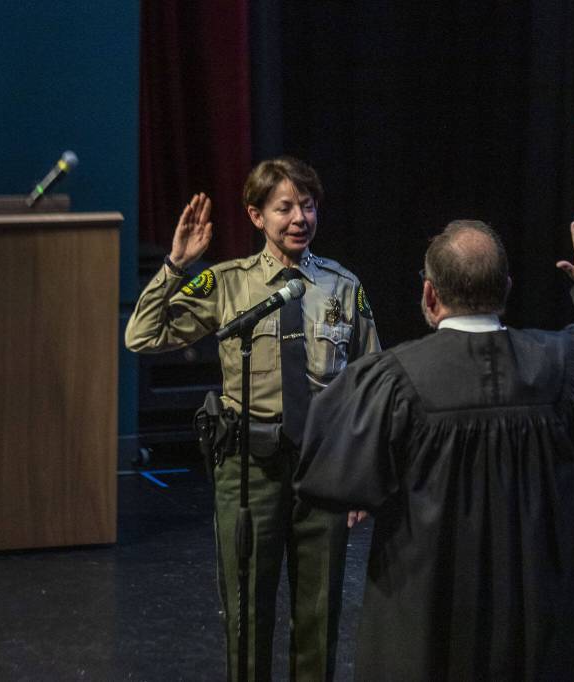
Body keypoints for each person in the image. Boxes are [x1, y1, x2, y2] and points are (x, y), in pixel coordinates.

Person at [294, 216, 574, 680]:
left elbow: (325, 472)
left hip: (429, 625)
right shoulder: (562, 367)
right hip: (535, 622)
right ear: (506, 288)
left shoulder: (393, 380)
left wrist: (366, 484)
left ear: (430, 296)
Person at [124, 156, 380, 680]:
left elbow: (372, 384)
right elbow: (141, 336)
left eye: (307, 206)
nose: (299, 219)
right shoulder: (227, 284)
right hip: (248, 472)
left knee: (319, 613)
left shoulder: (342, 287)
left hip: (322, 472)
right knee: (246, 613)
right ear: (256, 215)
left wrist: (361, 479)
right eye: (284, 207)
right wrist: (175, 266)